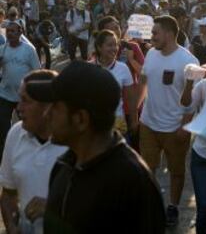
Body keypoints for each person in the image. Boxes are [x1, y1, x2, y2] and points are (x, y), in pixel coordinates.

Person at [26, 61, 165, 233]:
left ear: (80, 119)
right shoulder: (64, 165)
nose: (46, 115)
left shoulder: (133, 183)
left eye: (55, 107)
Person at [137, 15, 199, 226]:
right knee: (147, 169)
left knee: (176, 172)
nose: (151, 36)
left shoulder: (189, 61)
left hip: (175, 128)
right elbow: (144, 82)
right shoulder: (151, 54)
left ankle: (172, 207)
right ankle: (151, 205)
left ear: (169, 34)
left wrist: (185, 126)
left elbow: (194, 100)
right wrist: (137, 113)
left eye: (155, 33)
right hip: (148, 124)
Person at [0, 70, 67, 234]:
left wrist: (52, 210)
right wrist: (12, 227)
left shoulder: (75, 143)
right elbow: (8, 194)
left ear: (48, 107)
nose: (18, 108)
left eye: (25, 101)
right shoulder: (15, 134)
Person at [0, 20, 40, 159]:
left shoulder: (29, 50)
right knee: (2, 126)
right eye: (8, 31)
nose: (9, 34)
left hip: (24, 97)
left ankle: (30, 153)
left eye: (13, 31)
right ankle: (6, 154)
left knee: (28, 125)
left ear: (20, 32)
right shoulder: (2, 49)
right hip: (4, 94)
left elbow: (37, 71)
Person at [92, 30, 138, 135]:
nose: (114, 48)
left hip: (117, 124)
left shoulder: (123, 68)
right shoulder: (89, 68)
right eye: (109, 45)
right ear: (99, 47)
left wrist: (134, 121)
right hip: (94, 125)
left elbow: (131, 99)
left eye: (115, 45)